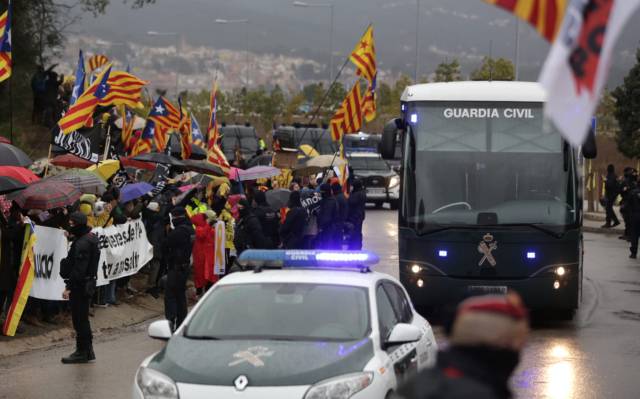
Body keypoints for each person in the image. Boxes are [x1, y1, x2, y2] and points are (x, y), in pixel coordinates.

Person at [396, 293, 529, 399]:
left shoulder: (415, 384)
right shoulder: (483, 394)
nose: (519, 352)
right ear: (502, 343)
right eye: (518, 345)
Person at [59, 212, 100, 364]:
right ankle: (87, 351)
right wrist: (71, 238)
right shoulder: (90, 238)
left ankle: (82, 351)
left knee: (79, 319)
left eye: (71, 224)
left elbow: (79, 269)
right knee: (82, 318)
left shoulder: (82, 243)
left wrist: (68, 287)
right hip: (87, 284)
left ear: (77, 225)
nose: (70, 226)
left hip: (80, 286)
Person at [163, 207, 194, 331]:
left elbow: (165, 244)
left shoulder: (180, 231)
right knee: (180, 296)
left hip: (176, 267)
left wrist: (168, 232)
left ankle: (170, 324)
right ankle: (181, 324)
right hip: (184, 267)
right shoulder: (190, 229)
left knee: (170, 296)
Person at [191, 211, 215, 297]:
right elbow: (202, 235)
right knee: (200, 274)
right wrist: (209, 225)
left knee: (209, 273)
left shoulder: (205, 227)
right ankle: (199, 292)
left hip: (207, 254)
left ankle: (207, 291)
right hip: (201, 255)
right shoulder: (199, 229)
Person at [316, 183, 339, 249]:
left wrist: (320, 227)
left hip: (327, 228)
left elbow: (326, 217)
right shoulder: (331, 200)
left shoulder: (329, 202)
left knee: (325, 246)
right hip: (330, 227)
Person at [347, 179, 367, 250]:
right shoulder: (362, 193)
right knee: (358, 232)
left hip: (355, 216)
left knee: (355, 232)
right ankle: (357, 245)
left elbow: (351, 202)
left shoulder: (357, 194)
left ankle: (354, 246)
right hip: (359, 215)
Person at [603, 164, 620, 228]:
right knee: (609, 208)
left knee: (608, 209)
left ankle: (609, 223)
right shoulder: (613, 175)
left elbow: (610, 185)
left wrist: (605, 180)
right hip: (612, 195)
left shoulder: (611, 176)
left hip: (611, 195)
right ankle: (614, 221)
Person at [332, 182, 348, 249]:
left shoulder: (337, 198)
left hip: (337, 221)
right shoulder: (342, 196)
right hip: (341, 220)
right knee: (339, 237)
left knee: (336, 238)